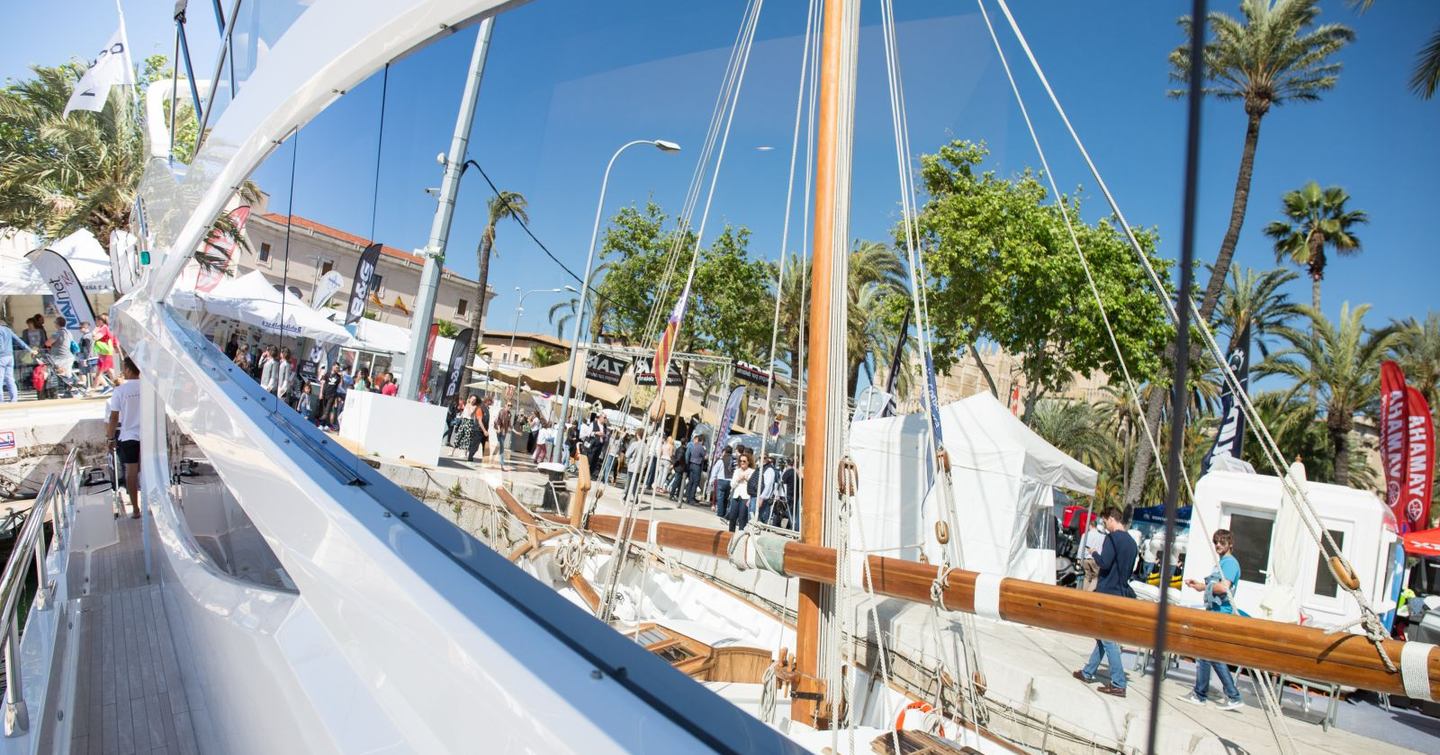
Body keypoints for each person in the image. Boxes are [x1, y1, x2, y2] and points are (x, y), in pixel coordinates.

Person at [1073, 506, 1137, 698]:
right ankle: (1088, 672)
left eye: (1104, 521)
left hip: (1107, 592)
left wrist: (1094, 552)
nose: (1104, 526)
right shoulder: (1132, 543)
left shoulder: (1112, 538)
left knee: (1107, 638)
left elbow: (1105, 563)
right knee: (1102, 636)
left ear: (1111, 519)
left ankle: (1118, 682)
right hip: (1121, 592)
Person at [1181, 530, 1245, 710]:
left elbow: (1224, 587)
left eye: (1222, 542)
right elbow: (1213, 585)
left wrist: (1208, 586)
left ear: (1230, 544)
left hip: (1221, 614)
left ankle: (1227, 695)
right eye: (1216, 542)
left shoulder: (1230, 563)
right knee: (1207, 654)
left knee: (1210, 654)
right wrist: (1199, 586)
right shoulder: (1221, 563)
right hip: (1215, 612)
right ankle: (1206, 694)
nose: (1218, 545)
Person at [107, 358, 143, 519]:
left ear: (127, 370)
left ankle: (135, 508)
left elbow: (113, 417)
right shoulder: (149, 387)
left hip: (129, 436)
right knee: (149, 471)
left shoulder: (120, 390)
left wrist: (110, 438)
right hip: (148, 436)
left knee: (131, 473)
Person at [0, 320, 37, 402]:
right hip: (10, 357)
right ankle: (14, 400)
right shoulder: (8, 330)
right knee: (10, 379)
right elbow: (19, 341)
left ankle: (1, 401)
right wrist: (30, 350)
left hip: (1, 357)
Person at [727, 452, 755, 532]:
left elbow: (753, 485)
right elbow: (732, 484)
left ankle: (741, 536)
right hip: (736, 496)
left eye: (744, 461)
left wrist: (746, 479)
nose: (742, 463)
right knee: (732, 517)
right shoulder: (737, 471)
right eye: (740, 461)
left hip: (746, 497)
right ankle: (730, 535)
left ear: (748, 462)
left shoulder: (752, 471)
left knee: (742, 518)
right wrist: (738, 479)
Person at [1079, 516, 1106, 592]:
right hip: (1095, 559)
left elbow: (1081, 547)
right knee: (1095, 578)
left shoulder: (1085, 535)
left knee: (1087, 577)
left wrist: (1079, 558)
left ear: (1090, 526)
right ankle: (1089, 593)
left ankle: (1084, 593)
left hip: (1085, 559)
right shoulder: (1102, 536)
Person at [46, 317, 77, 382]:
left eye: (55, 323)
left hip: (59, 357)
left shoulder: (57, 333)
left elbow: (47, 343)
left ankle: (64, 388)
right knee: (68, 374)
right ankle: (73, 389)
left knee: (57, 373)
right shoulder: (68, 332)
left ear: (57, 324)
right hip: (69, 356)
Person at [93, 314, 117, 387]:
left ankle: (94, 388)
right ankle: (116, 386)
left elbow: (96, 338)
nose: (95, 322)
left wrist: (94, 332)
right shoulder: (107, 328)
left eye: (96, 320)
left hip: (104, 354)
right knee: (109, 371)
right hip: (105, 353)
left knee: (99, 373)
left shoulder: (104, 328)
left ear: (101, 321)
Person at [757, 454, 781, 525]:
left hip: (767, 495)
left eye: (764, 458)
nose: (762, 460)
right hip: (764, 494)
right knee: (761, 514)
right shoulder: (761, 468)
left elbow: (775, 484)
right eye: (760, 458)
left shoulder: (773, 470)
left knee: (764, 515)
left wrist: (776, 494)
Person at [683, 434, 707, 506]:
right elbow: (705, 456)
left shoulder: (694, 446)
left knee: (691, 481)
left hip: (691, 464)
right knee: (695, 482)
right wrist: (706, 456)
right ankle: (691, 498)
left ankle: (687, 497)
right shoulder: (701, 448)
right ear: (702, 441)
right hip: (697, 465)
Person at [316, 363, 342, 428]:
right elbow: (322, 383)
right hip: (325, 394)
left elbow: (339, 386)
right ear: (333, 367)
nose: (337, 369)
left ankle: (322, 424)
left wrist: (342, 376)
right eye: (336, 367)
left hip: (332, 395)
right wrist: (321, 393)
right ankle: (325, 424)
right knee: (324, 409)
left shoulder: (338, 377)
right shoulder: (327, 374)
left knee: (327, 410)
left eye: (338, 368)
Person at [711, 446, 733, 520]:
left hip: (721, 480)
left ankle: (720, 513)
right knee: (726, 498)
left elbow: (715, 470)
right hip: (730, 481)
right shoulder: (733, 461)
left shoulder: (721, 460)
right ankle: (724, 513)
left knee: (720, 498)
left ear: (725, 452)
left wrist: (712, 479)